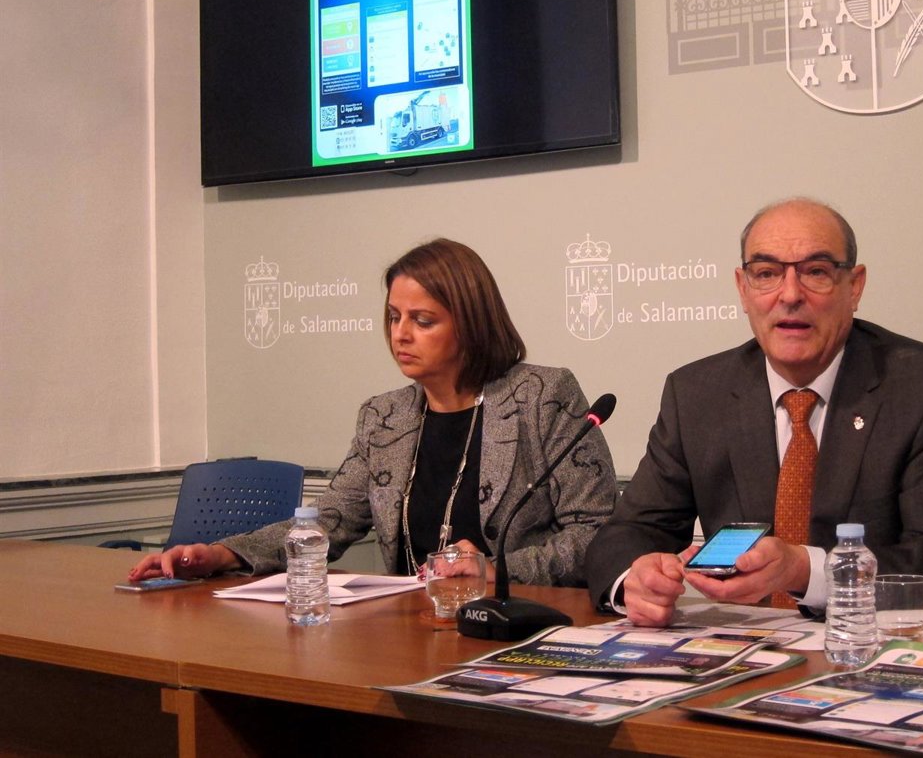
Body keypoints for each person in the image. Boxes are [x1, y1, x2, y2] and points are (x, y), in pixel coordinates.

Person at [584, 198, 923, 624]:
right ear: (743, 288)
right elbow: (629, 533)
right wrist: (635, 580)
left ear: (854, 287)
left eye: (816, 272)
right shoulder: (697, 395)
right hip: (746, 646)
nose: (790, 295)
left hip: (879, 643)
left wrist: (804, 570)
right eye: (766, 273)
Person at [131, 239, 617, 586]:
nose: (400, 334)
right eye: (393, 317)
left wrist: (497, 570)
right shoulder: (385, 417)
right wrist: (223, 553)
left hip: (517, 622)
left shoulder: (541, 397)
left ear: (472, 324)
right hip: (409, 628)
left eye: (422, 320)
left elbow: (596, 534)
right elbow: (330, 519)